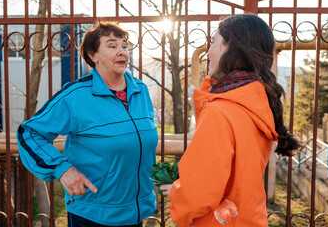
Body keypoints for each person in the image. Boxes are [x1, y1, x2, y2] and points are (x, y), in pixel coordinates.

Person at [160, 14, 299, 226]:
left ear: (230, 49)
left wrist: (179, 193)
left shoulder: (220, 111)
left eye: (214, 42)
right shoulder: (257, 103)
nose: (208, 52)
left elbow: (200, 191)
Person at [17, 21, 158, 227]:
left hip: (137, 211)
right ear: (93, 55)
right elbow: (29, 134)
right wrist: (63, 169)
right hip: (93, 214)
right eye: (112, 46)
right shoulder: (75, 95)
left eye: (124, 46)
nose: (122, 52)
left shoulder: (141, 90)